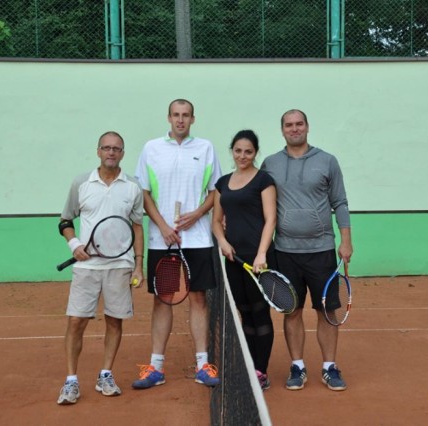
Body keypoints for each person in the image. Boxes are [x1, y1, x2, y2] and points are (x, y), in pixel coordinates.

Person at [132, 99, 222, 389]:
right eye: (176, 115)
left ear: (193, 119)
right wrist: (162, 225)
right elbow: (143, 193)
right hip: (162, 241)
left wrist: (197, 214)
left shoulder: (205, 148)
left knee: (198, 299)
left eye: (185, 115)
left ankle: (202, 365)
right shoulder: (151, 149)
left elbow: (216, 191)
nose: (180, 120)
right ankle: (156, 367)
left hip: (197, 240)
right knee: (163, 299)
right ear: (168, 118)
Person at [261, 109, 353, 392]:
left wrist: (346, 241)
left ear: (307, 127)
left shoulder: (327, 161)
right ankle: (297, 366)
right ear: (282, 130)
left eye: (299, 124)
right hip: (285, 252)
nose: (294, 128)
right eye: (289, 125)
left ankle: (329, 367)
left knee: (328, 312)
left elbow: (340, 202)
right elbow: (259, 202)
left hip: (322, 250)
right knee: (293, 311)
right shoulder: (270, 164)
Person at [57, 131, 145, 405]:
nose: (111, 152)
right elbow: (64, 221)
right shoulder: (81, 182)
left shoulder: (132, 186)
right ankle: (71, 381)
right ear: (98, 151)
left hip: (120, 265)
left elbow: (137, 226)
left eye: (116, 149)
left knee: (114, 321)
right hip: (87, 267)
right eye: (106, 148)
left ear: (122, 153)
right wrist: (74, 245)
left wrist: (138, 265)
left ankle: (105, 374)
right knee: (76, 321)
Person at [212, 129, 277, 390]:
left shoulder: (264, 180)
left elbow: (270, 219)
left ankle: (261, 371)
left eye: (248, 151)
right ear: (232, 151)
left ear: (255, 153)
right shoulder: (223, 182)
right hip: (233, 258)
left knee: (260, 313)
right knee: (245, 312)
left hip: (257, 259)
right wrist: (224, 242)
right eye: (238, 151)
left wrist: (262, 254)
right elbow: (216, 221)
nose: (243, 156)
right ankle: (250, 365)